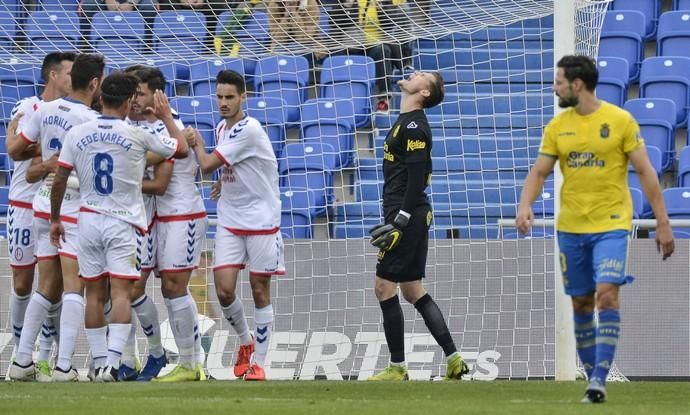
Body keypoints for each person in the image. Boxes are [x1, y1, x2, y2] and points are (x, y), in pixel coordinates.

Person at [515, 55, 675, 403]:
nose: (554, 87)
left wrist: (662, 222)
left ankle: (599, 380)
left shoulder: (620, 121)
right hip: (571, 227)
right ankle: (593, 376)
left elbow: (647, 172)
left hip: (612, 224)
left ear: (576, 85)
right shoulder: (558, 126)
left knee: (607, 294)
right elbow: (539, 172)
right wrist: (525, 205)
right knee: (583, 304)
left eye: (558, 82)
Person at [49, 72, 189, 382]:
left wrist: (55, 219)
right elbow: (180, 148)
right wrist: (166, 118)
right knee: (122, 292)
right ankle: (112, 364)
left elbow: (59, 180)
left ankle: (99, 363)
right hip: (121, 224)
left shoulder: (77, 133)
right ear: (127, 102)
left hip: (86, 221)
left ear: (101, 99)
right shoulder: (136, 134)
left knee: (95, 294)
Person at [8, 53, 105, 382]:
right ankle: (64, 366)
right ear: (94, 83)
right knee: (72, 287)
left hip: (41, 202)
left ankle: (21, 361)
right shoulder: (90, 120)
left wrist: (41, 154)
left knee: (46, 286)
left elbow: (17, 149)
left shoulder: (45, 110)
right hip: (72, 206)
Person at [367, 71, 468, 381]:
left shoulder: (414, 126)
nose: (414, 73)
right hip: (406, 214)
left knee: (384, 287)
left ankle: (397, 367)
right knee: (412, 291)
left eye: (422, 76)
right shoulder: (405, 120)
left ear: (424, 92)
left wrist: (401, 219)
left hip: (405, 215)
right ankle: (454, 360)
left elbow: (414, 179)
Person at [187, 69, 285, 381]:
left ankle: (259, 362)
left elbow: (206, 163)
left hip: (260, 218)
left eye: (230, 97)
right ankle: (246, 341)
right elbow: (232, 165)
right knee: (225, 290)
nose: (224, 102)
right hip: (231, 217)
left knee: (259, 289)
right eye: (219, 97)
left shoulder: (250, 129)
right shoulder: (221, 128)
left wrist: (197, 144)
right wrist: (223, 182)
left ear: (244, 97)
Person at [125, 65, 208, 383]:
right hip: (153, 219)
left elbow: (175, 158)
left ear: (157, 96)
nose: (134, 99)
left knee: (174, 288)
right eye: (132, 94)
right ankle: (141, 355)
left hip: (182, 215)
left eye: (140, 93)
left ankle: (190, 363)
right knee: (132, 286)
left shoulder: (172, 128)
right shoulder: (133, 123)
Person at [5, 51, 76, 382]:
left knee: (55, 285)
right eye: (68, 74)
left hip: (54, 204)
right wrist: (48, 151)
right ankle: (20, 351)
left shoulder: (72, 111)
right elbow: (16, 149)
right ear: (53, 76)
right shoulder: (28, 107)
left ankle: (44, 357)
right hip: (22, 203)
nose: (71, 79)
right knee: (22, 283)